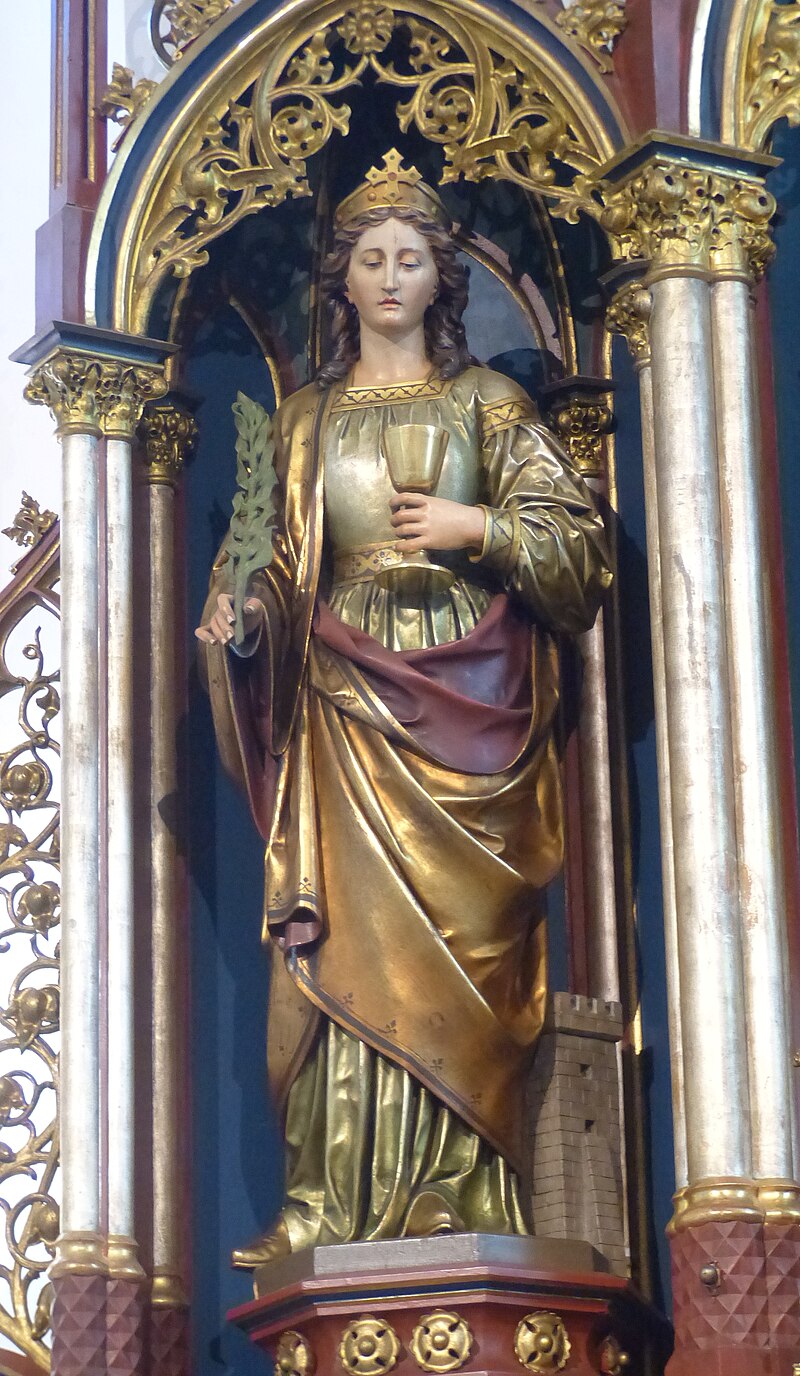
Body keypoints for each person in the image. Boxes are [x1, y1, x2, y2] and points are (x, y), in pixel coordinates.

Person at [195, 149, 612, 1267]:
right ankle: (328, 1200)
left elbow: (580, 557)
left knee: (464, 962)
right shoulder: (304, 420)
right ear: (342, 278)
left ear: (442, 277)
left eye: (410, 258)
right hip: (340, 708)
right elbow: (269, 567)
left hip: (471, 700)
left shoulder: (488, 406)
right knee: (336, 943)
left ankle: (460, 1189)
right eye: (371, 258)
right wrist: (241, 619)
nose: (389, 277)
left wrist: (480, 530)